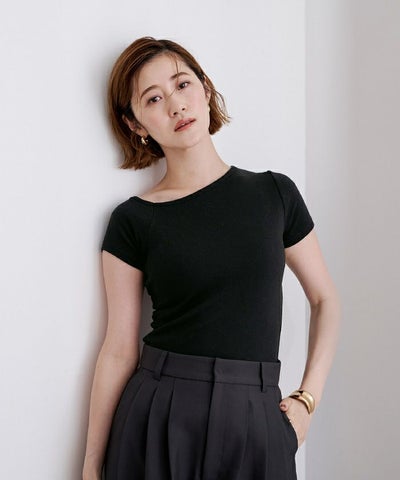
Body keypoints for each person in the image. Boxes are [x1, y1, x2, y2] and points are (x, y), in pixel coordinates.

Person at [82, 37, 340, 480]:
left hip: (257, 414)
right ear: (136, 124)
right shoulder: (133, 220)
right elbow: (118, 351)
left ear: (204, 88)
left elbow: (325, 300)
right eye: (154, 99)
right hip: (161, 412)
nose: (176, 105)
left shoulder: (274, 194)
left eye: (182, 84)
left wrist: (307, 400)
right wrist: (90, 466)